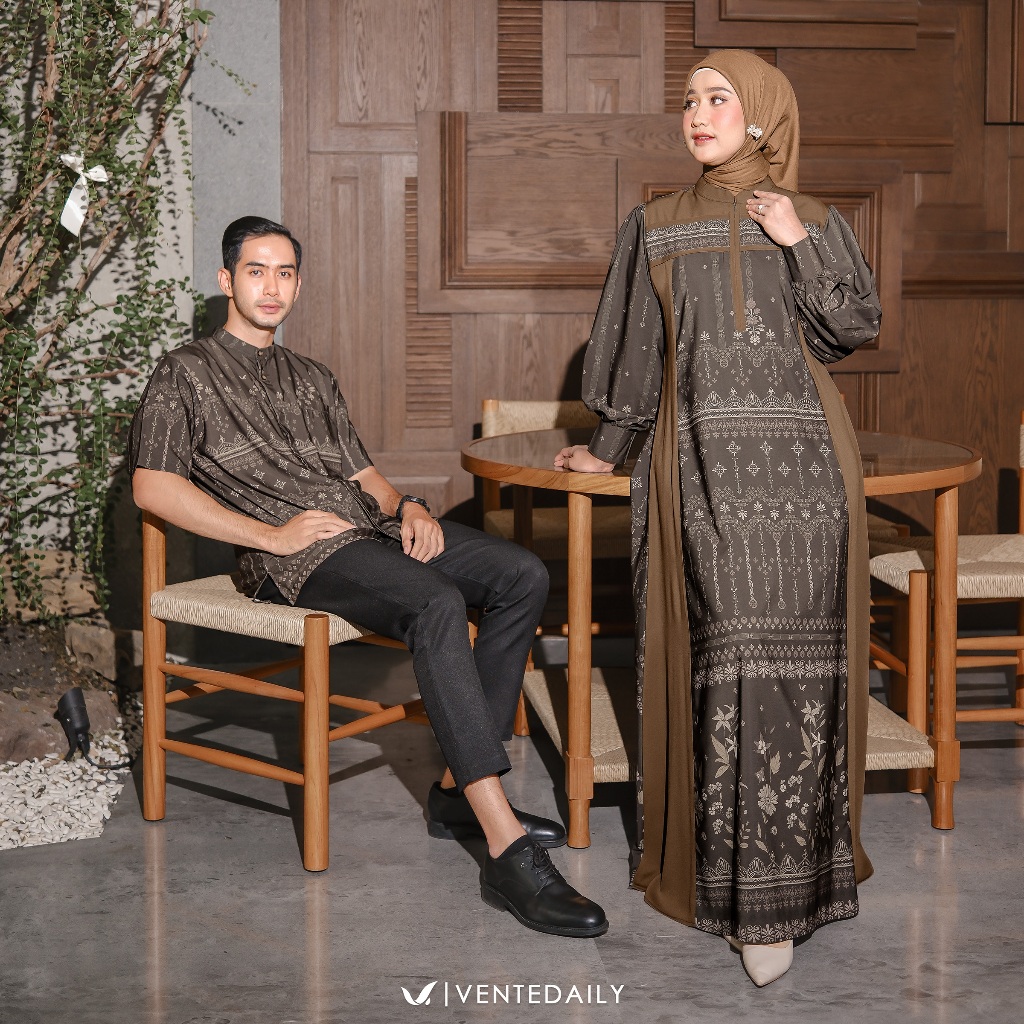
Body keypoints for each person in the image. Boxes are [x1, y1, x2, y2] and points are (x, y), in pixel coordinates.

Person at [128, 215, 607, 939]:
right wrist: (270, 535)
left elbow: (365, 479)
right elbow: (152, 486)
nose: (271, 286)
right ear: (226, 280)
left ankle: (453, 793)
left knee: (521, 575)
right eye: (255, 271)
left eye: (285, 272)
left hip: (368, 531)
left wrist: (409, 506)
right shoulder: (184, 373)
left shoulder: (313, 377)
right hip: (293, 555)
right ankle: (505, 846)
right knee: (436, 604)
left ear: (298, 285)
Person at [555, 50, 879, 983]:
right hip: (700, 469)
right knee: (730, 659)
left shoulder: (814, 219)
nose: (697, 114)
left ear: (762, 114)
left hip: (809, 480)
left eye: (718, 98)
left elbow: (853, 326)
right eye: (690, 100)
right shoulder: (655, 225)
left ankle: (792, 890)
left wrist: (795, 237)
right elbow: (635, 351)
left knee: (804, 674)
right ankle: (741, 895)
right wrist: (609, 448)